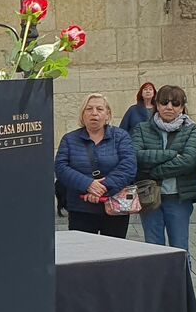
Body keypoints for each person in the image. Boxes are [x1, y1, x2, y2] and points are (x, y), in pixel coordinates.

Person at [55, 93, 138, 239]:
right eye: (89, 109)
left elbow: (128, 166)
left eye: (99, 109)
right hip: (81, 209)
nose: (94, 113)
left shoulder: (121, 137)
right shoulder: (69, 139)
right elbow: (61, 168)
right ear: (82, 114)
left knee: (114, 254)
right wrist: (88, 184)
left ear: (108, 114)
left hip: (115, 207)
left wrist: (102, 188)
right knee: (83, 255)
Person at [131, 85, 196, 250]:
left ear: (182, 107)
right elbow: (136, 156)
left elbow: (189, 161)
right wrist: (171, 154)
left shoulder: (191, 129)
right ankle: (156, 278)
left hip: (178, 197)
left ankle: (182, 278)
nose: (169, 107)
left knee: (180, 249)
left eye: (175, 103)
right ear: (157, 104)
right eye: (164, 102)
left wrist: (155, 171)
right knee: (154, 250)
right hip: (149, 197)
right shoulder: (142, 128)